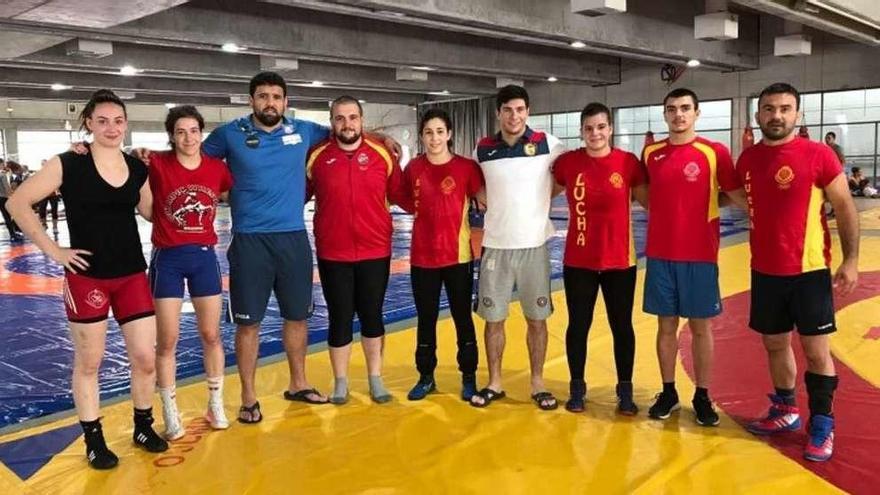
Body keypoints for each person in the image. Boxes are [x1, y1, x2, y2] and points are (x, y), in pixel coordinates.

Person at [7, 89, 168, 469]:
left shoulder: (137, 167)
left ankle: (142, 426)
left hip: (131, 273)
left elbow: (148, 212)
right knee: (90, 362)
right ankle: (93, 438)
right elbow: (17, 203)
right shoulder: (68, 163)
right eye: (102, 121)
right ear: (89, 124)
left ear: (126, 124)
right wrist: (54, 251)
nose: (111, 128)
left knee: (145, 359)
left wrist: (161, 165)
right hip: (87, 278)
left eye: (117, 121)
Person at [735, 82, 859, 462]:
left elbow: (845, 207)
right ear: (758, 116)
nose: (777, 115)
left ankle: (822, 420)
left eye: (785, 108)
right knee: (774, 344)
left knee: (816, 350)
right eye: (769, 108)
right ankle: (786, 409)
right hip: (765, 270)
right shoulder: (748, 159)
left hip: (808, 271)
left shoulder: (818, 155)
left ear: (798, 114)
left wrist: (851, 260)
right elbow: (743, 198)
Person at [201, 72, 334, 422]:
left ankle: (299, 383)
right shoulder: (228, 134)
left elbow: (345, 131)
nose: (270, 102)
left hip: (293, 239)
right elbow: (190, 159)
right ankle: (248, 398)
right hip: (249, 242)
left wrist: (379, 136)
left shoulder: (305, 131)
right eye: (263, 96)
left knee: (298, 317)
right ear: (251, 101)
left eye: (276, 96)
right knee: (249, 324)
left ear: (286, 102)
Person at [641, 88, 743, 426]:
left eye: (685, 108)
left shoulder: (714, 152)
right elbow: (643, 194)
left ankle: (702, 395)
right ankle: (668, 392)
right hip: (659, 254)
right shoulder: (651, 153)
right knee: (665, 325)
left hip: (700, 255)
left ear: (697, 113)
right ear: (665, 114)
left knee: (701, 328)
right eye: (672, 109)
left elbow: (732, 194)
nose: (678, 115)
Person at [469, 85, 566, 410]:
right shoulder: (482, 149)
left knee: (536, 319)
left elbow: (564, 178)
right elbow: (476, 187)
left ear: (528, 111)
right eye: (508, 110)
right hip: (495, 247)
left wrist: (539, 200)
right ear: (498, 112)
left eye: (520, 110)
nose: (515, 116)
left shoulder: (548, 144)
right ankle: (494, 381)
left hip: (534, 246)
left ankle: (538, 382)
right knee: (493, 319)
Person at [306, 96, 404, 404]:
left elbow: (402, 194)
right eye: (340, 118)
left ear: (361, 120)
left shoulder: (382, 154)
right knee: (339, 317)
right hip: (333, 252)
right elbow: (296, 194)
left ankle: (376, 378)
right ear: (332, 122)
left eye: (352, 118)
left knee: (373, 315)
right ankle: (341, 381)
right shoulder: (317, 157)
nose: (347, 124)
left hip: (375, 250)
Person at [552, 102, 648, 414]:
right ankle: (577, 387)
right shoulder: (568, 163)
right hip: (579, 261)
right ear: (582, 131)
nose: (595, 133)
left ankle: (625, 391)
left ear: (610, 129)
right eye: (589, 128)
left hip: (619, 261)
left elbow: (651, 201)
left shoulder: (628, 162)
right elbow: (539, 192)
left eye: (601, 127)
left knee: (622, 326)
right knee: (579, 325)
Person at [148, 105, 234, 439]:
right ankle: (170, 411)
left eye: (194, 131)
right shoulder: (157, 163)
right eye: (181, 131)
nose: (188, 137)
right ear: (172, 135)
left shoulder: (216, 168)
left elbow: (229, 189)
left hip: (203, 257)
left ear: (202, 133)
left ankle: (216, 404)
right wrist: (80, 149)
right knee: (167, 341)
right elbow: (117, 162)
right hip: (167, 258)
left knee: (211, 335)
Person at [397, 108, 483, 401]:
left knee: (462, 318)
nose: (434, 138)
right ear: (422, 136)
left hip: (458, 256)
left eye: (439, 132)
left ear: (449, 134)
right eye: (428, 132)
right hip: (422, 258)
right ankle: (425, 376)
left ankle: (469, 377)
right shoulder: (413, 169)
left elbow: (485, 200)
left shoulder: (466, 168)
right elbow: (408, 203)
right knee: (426, 319)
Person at [0, 160, 24, 241]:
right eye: (3, 164)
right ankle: (13, 234)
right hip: (4, 197)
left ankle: (13, 233)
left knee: (6, 216)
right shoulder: (2, 175)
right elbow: (7, 188)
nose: (4, 165)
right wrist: (12, 195)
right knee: (9, 216)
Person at [36, 159, 62, 233]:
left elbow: (58, 182)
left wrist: (58, 191)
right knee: (42, 210)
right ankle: (44, 224)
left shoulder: (53, 173)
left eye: (45, 164)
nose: (44, 165)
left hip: (53, 194)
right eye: (43, 164)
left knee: (54, 210)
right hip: (43, 194)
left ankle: (55, 227)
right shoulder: (39, 173)